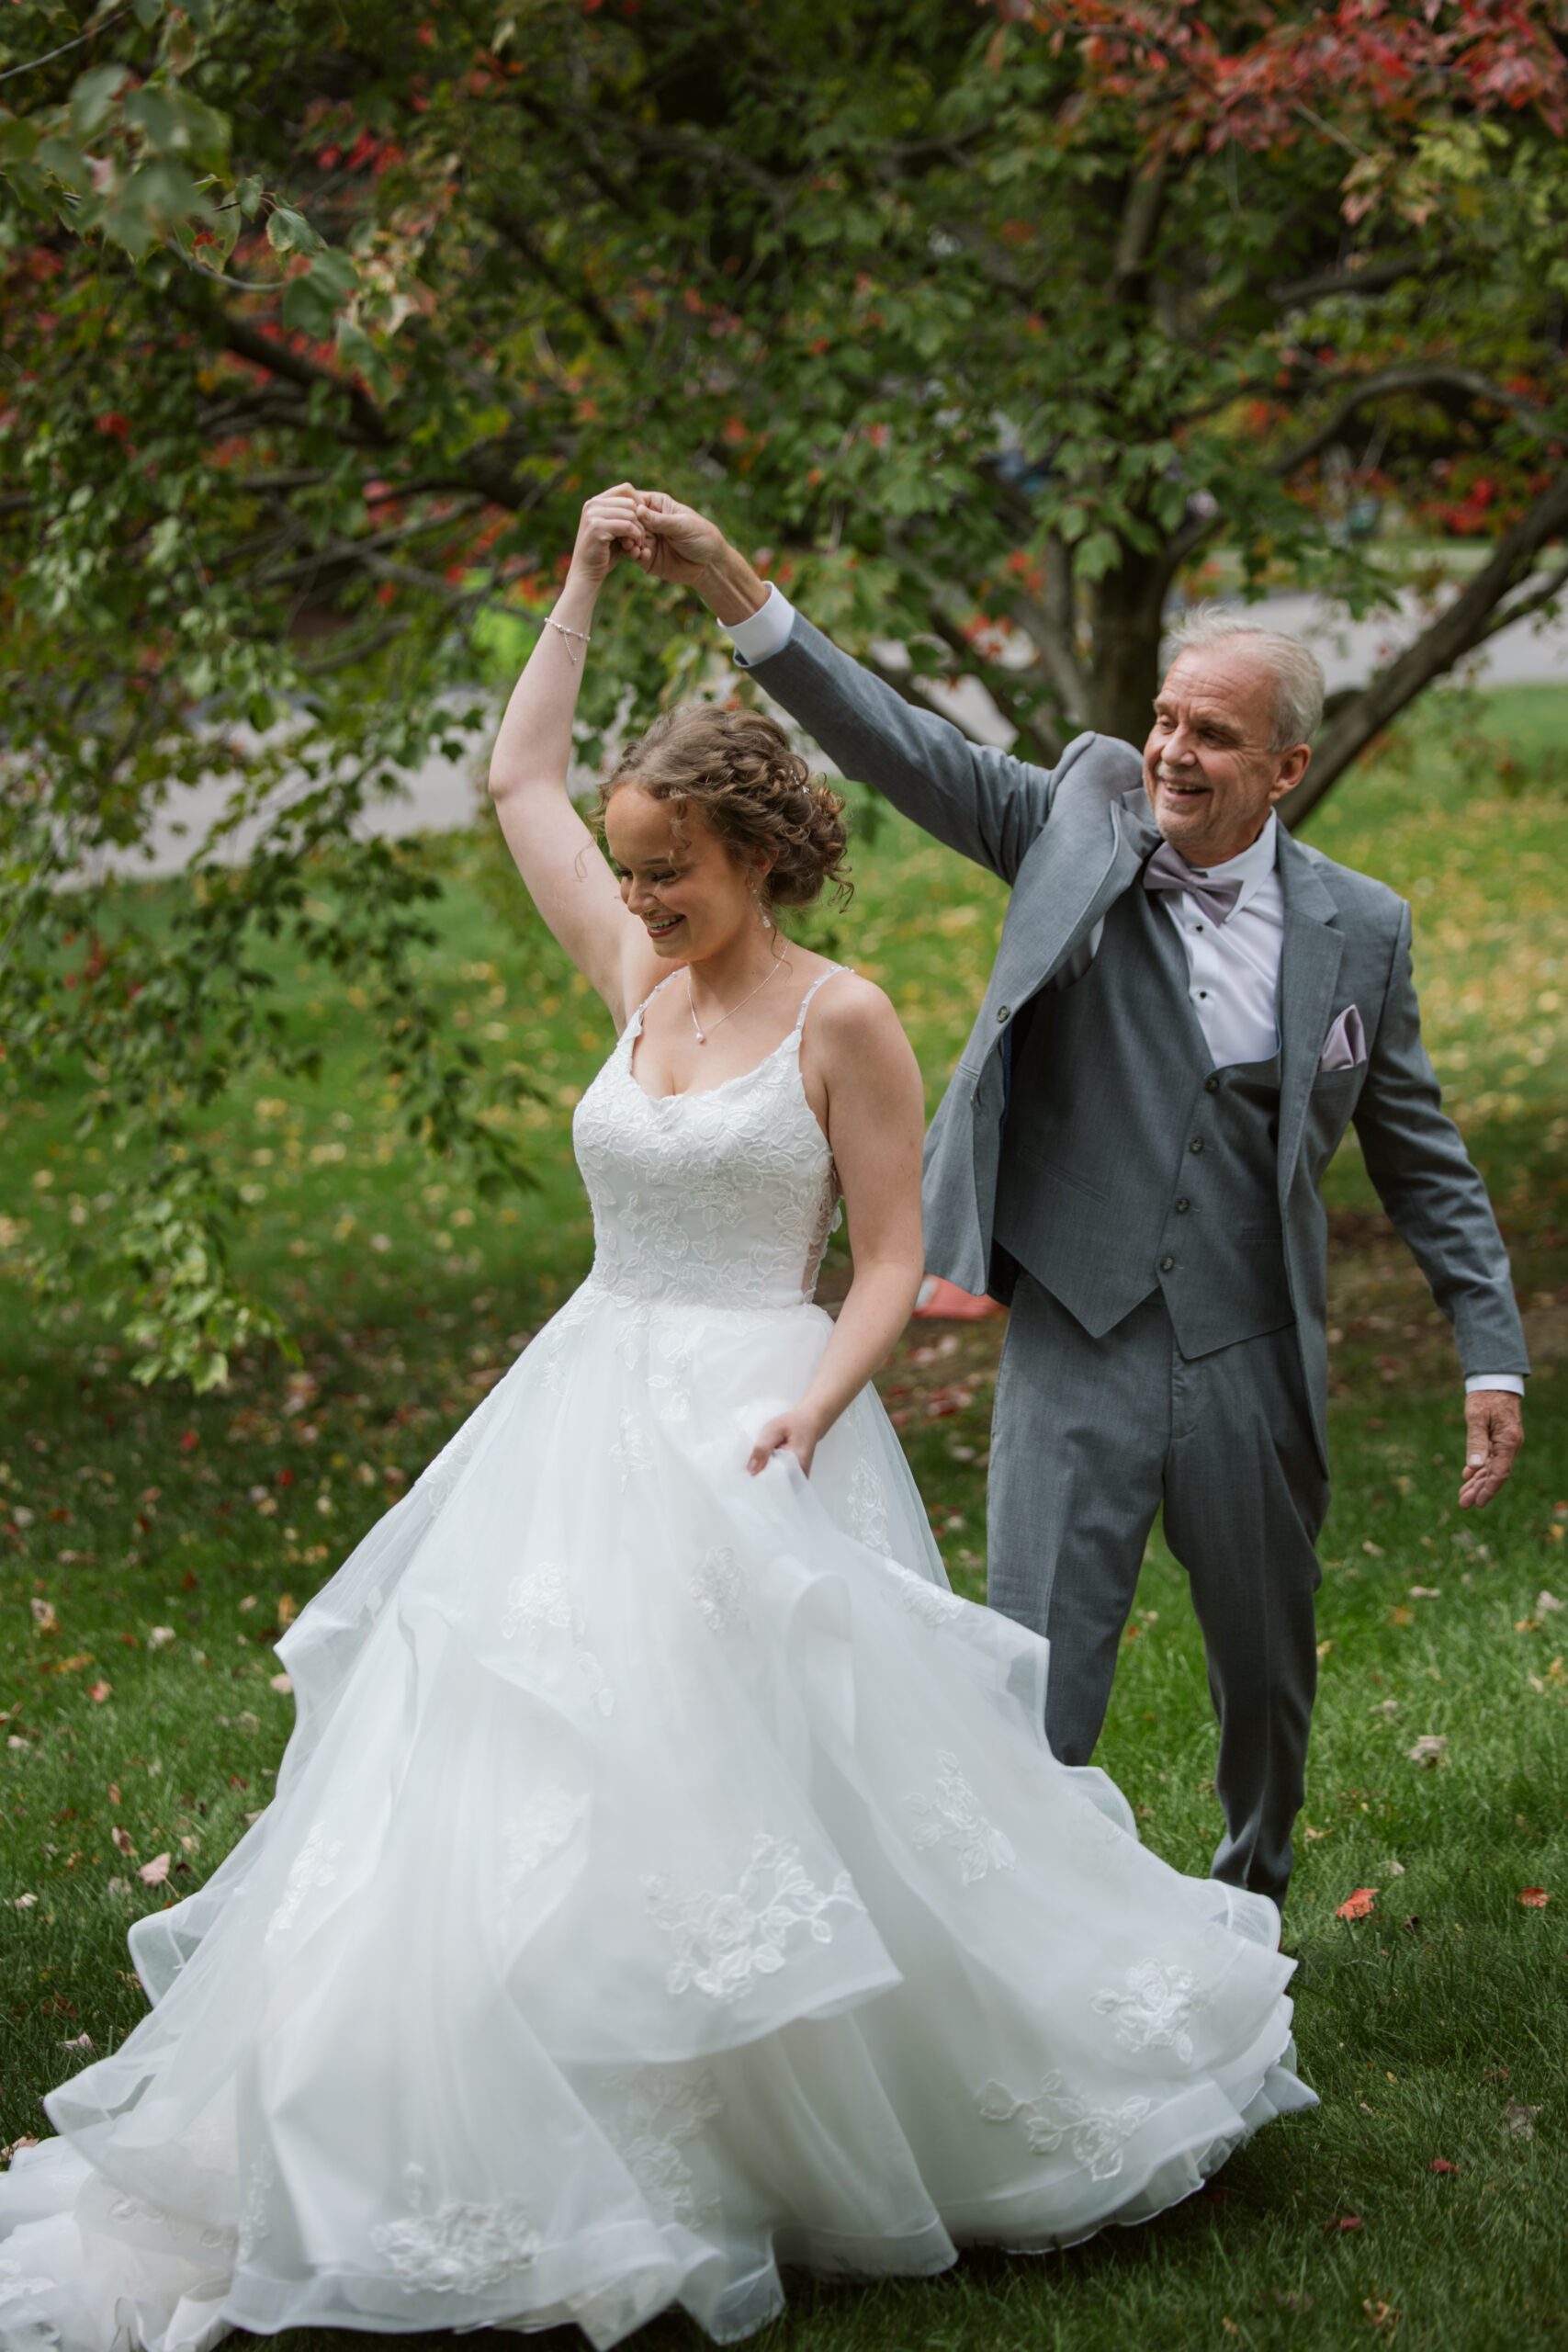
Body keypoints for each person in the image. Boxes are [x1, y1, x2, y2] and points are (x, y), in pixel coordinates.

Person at [0, 490, 1312, 2352]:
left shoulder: (841, 1017)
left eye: (670, 873)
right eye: (626, 871)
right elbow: (516, 774)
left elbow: (887, 1258)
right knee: (508, 1785)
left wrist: (810, 1401)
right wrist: (578, 587)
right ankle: (508, 2120)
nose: (637, 903)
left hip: (757, 1426)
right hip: (578, 1417)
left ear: (759, 855)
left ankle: (803, 2129)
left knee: (771, 1799)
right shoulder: (633, 975)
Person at [625, 490, 1529, 1913]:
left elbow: (1421, 1151)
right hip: (1078, 1332)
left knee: (1266, 1673)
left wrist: (1487, 1342)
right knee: (1033, 1678)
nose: (1172, 749)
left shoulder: (1364, 928)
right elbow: (895, 742)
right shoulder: (1069, 831)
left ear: (1284, 767)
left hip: (1251, 1347)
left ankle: (1253, 1907)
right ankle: (1032, 1946)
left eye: (1212, 734)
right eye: (1167, 719)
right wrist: (728, 581)